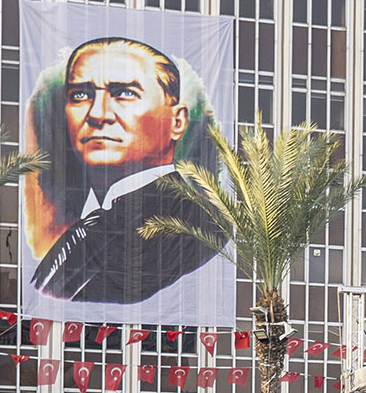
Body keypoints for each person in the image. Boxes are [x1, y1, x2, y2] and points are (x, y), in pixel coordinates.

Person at [31, 36, 223, 304]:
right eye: (81, 95)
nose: (98, 114)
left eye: (125, 93)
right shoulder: (74, 218)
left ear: (177, 121)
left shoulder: (202, 224)